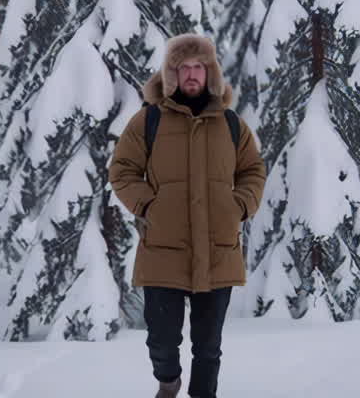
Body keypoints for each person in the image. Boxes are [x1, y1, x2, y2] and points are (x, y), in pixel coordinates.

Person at [110, 33, 266, 398]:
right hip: (164, 249)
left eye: (199, 67)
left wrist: (240, 205)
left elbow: (253, 171)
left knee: (208, 347)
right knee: (162, 341)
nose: (192, 75)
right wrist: (148, 204)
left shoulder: (231, 124)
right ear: (171, 74)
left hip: (218, 250)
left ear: (209, 73)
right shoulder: (147, 121)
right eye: (184, 68)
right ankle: (168, 381)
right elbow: (122, 171)